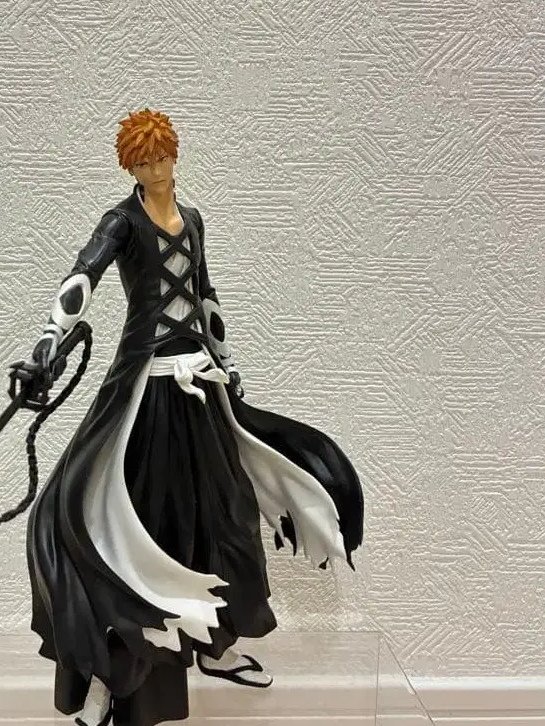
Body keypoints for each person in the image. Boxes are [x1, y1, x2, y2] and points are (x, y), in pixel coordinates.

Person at [23, 109, 364, 726]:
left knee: (226, 513)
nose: (155, 169)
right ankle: (112, 677)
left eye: (162, 157)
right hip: (144, 393)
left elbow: (205, 296)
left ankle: (215, 643)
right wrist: (50, 339)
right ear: (130, 167)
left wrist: (226, 363)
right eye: (143, 162)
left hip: (200, 389)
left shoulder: (194, 219)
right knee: (136, 527)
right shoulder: (121, 223)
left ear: (174, 156)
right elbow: (82, 278)